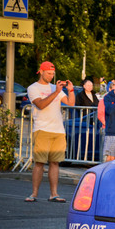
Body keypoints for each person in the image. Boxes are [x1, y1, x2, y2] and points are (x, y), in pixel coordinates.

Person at [25, 61, 75, 203]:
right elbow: (40, 105)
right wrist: (56, 92)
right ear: (41, 72)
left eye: (53, 73)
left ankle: (54, 194)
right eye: (48, 73)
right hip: (42, 129)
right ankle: (34, 194)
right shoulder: (33, 88)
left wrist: (70, 90)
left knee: (55, 162)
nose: (51, 76)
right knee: (39, 162)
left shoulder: (55, 88)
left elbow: (70, 103)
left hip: (58, 130)